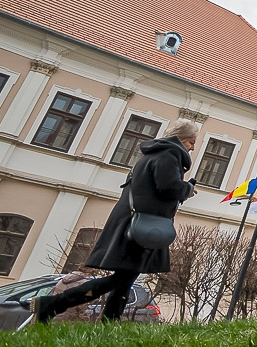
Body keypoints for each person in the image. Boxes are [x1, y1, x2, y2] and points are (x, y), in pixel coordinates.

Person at [31, 120, 199, 323]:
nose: (192, 148)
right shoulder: (169, 154)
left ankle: (107, 320)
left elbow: (153, 190)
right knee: (122, 279)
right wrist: (187, 189)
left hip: (131, 221)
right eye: (191, 142)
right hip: (141, 226)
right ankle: (52, 304)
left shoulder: (151, 155)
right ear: (180, 139)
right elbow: (168, 187)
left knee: (124, 280)